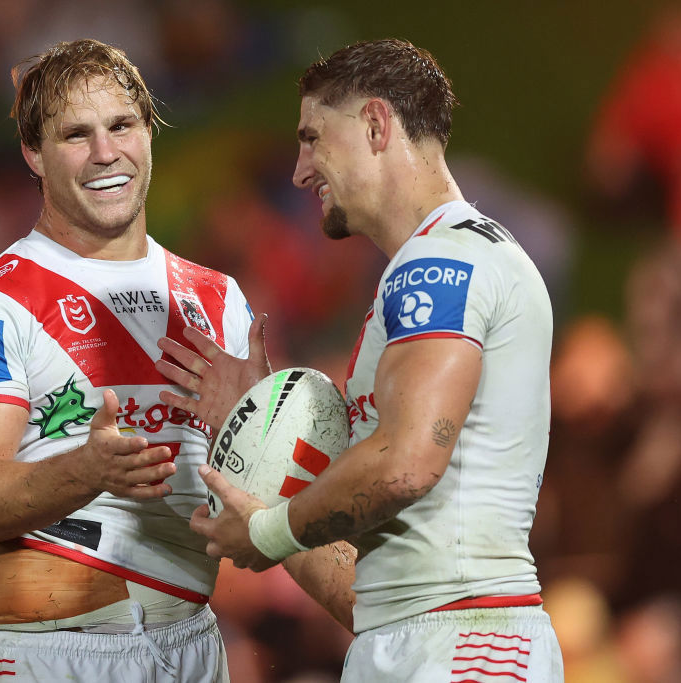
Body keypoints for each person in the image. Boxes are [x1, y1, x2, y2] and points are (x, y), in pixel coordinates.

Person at [156, 38, 565, 681]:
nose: (300, 170)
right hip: (437, 641)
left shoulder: (437, 266)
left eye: (313, 138)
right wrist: (264, 447)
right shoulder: (441, 264)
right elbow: (374, 597)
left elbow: (405, 465)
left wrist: (265, 535)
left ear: (375, 124)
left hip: (463, 650)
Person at [0, 39, 277, 681]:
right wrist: (87, 469)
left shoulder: (220, 299)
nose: (105, 152)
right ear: (33, 152)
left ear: (149, 133)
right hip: (47, 653)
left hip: (193, 645)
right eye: (74, 135)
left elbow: (256, 499)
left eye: (121, 126)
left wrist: (264, 439)